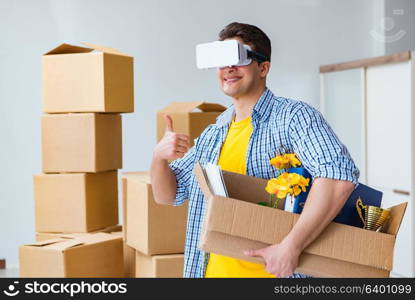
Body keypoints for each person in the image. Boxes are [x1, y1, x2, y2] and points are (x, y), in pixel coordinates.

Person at [150, 22, 359, 278]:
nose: (229, 68)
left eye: (238, 58)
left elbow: (338, 178)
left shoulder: (293, 117)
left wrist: (291, 246)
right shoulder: (214, 133)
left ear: (263, 67)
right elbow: (168, 195)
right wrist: (158, 158)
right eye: (222, 61)